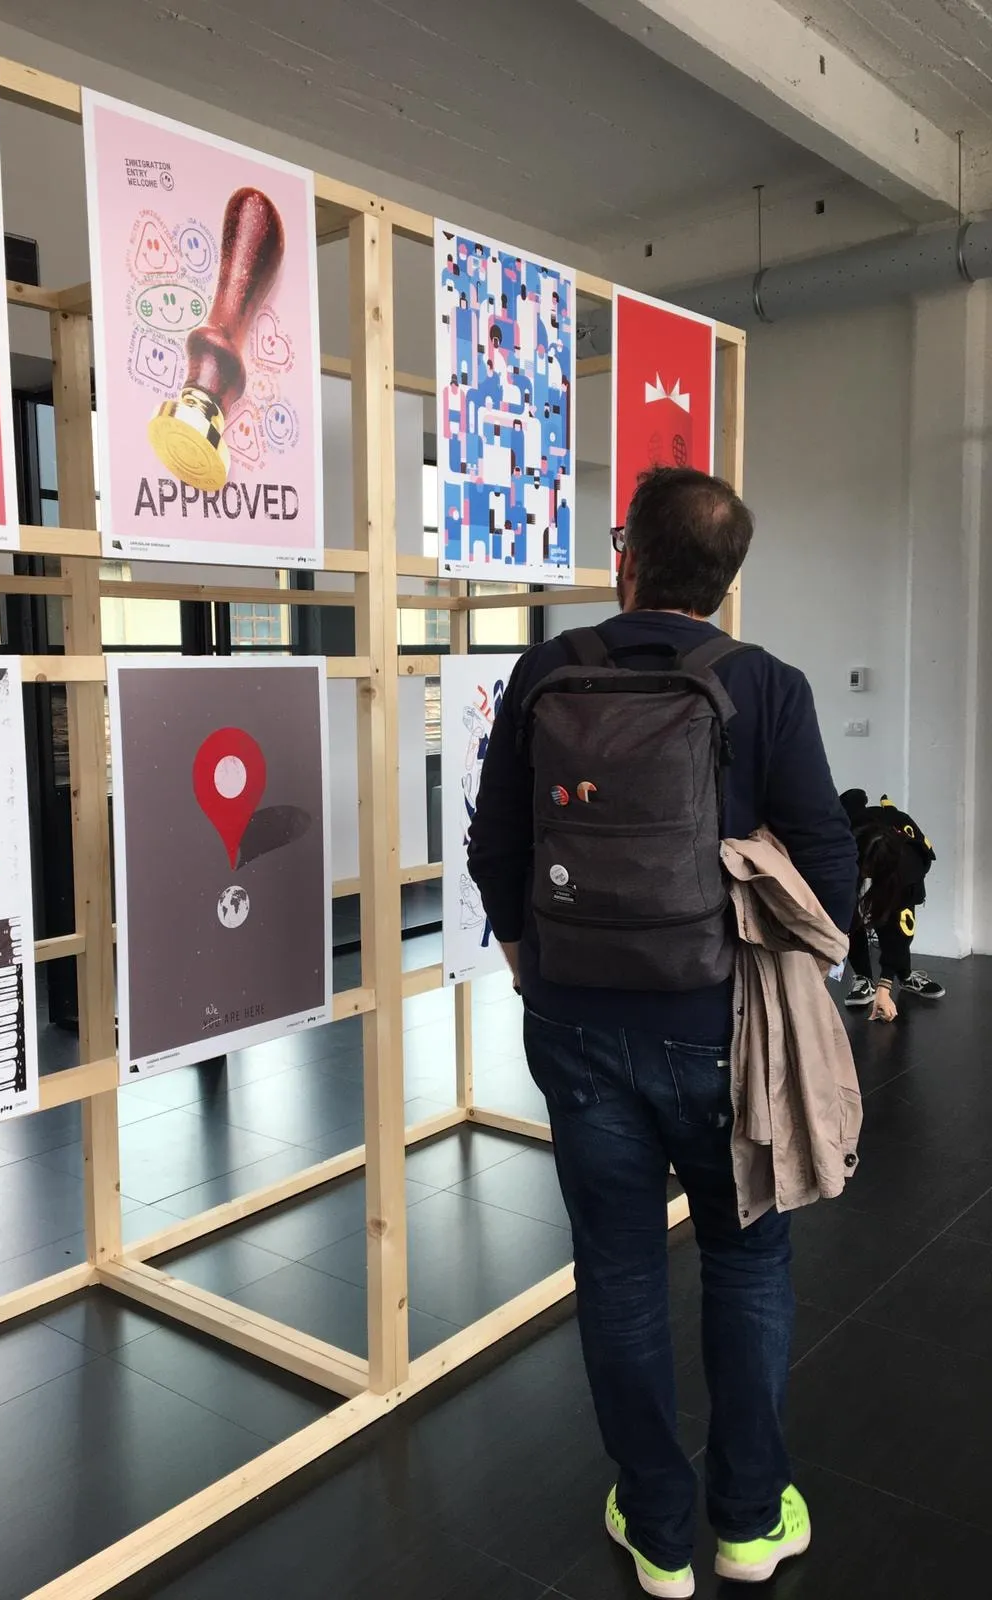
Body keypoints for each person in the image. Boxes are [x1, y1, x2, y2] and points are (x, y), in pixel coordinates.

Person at [468, 467, 857, 1597]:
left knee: (621, 1268)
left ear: (622, 556)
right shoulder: (766, 685)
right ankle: (748, 1521)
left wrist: (532, 963)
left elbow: (496, 847)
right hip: (721, 1022)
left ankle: (656, 1527)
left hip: (577, 1026)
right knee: (745, 1259)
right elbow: (831, 875)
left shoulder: (548, 670)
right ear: (727, 583)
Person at [840, 790, 943, 1022]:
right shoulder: (842, 840)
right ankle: (864, 978)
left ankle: (904, 975)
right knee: (850, 914)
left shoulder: (911, 866)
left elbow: (901, 928)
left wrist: (885, 988)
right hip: (853, 848)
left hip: (893, 866)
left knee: (893, 919)